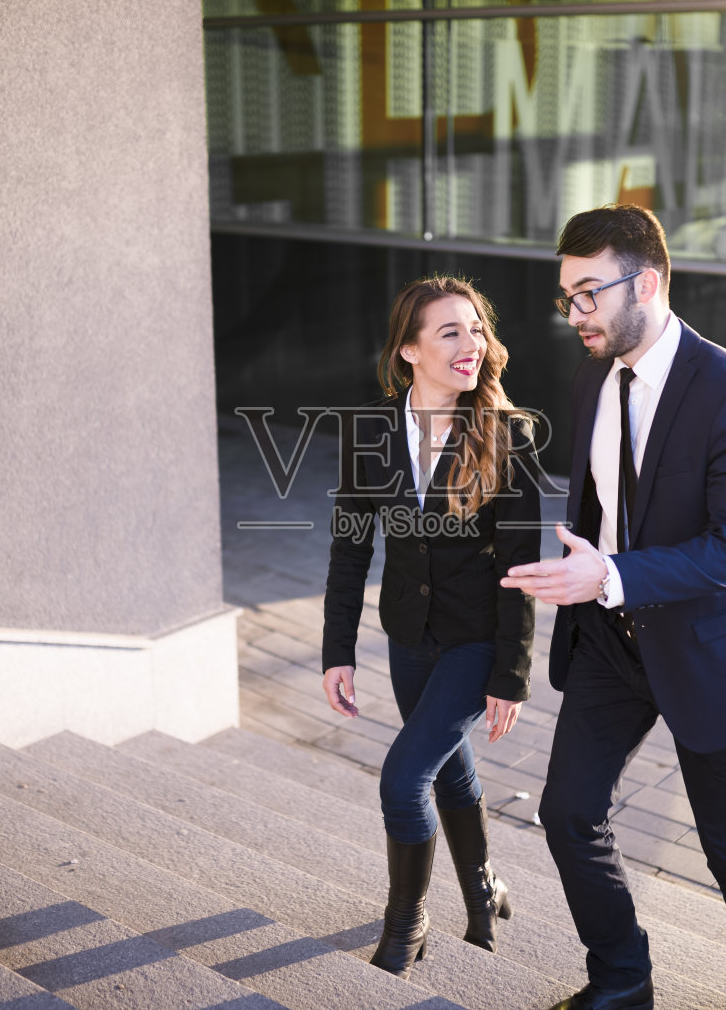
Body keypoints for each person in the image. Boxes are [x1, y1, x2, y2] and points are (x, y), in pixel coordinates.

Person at [502, 205, 726, 1010]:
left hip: (706, 649)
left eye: (589, 293)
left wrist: (613, 574)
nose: (575, 314)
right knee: (568, 813)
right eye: (568, 296)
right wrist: (585, 576)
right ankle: (624, 980)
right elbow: (598, 502)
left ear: (650, 282)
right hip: (609, 641)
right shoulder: (594, 372)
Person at [321, 275, 542, 978]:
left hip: (476, 641)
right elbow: (352, 547)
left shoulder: (511, 436)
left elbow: (519, 568)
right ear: (409, 350)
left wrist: (509, 674)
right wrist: (338, 650)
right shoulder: (370, 433)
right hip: (408, 637)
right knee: (446, 768)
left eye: (476, 328)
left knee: (402, 779)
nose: (471, 343)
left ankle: (405, 926)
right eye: (450, 331)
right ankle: (483, 892)